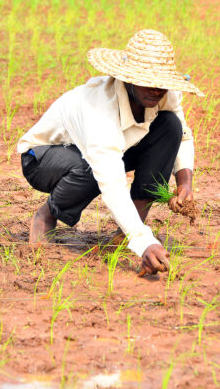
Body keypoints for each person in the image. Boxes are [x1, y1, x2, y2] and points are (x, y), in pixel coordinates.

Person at [17, 29, 204, 275]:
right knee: (89, 167)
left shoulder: (163, 94)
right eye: (148, 81)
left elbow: (182, 135)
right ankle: (47, 214)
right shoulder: (99, 110)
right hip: (43, 158)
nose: (156, 90)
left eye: (161, 83)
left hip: (100, 152)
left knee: (169, 125)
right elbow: (111, 181)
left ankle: (132, 222)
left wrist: (185, 183)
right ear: (128, 78)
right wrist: (143, 242)